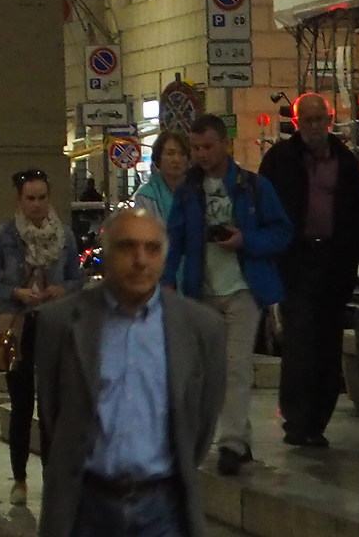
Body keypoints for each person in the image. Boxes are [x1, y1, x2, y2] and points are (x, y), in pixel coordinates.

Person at [35, 204, 226, 537]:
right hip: (87, 506)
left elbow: (203, 419)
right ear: (106, 254)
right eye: (127, 247)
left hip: (163, 508)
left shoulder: (200, 328)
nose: (140, 260)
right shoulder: (61, 323)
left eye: (152, 249)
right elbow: (53, 412)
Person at [162, 113, 292, 475]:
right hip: (201, 290)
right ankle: (229, 438)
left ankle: (232, 442)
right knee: (207, 370)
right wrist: (168, 280)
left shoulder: (252, 186)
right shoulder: (189, 191)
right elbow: (173, 239)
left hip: (242, 290)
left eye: (207, 146)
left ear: (224, 144)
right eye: (196, 148)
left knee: (235, 367)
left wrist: (244, 240)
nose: (201, 154)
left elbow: (282, 231)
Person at [258, 93, 359, 449]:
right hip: (295, 264)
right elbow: (263, 209)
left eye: (320, 120)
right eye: (307, 120)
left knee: (327, 346)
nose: (314, 127)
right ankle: (297, 420)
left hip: (334, 265)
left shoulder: (344, 163)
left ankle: (317, 422)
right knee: (299, 342)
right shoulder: (280, 160)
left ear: (329, 122)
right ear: (297, 123)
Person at [0, 168, 83, 507]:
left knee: (53, 405)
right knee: (21, 404)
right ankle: (19, 478)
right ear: (19, 201)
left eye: (42, 198)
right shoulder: (4, 236)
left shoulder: (64, 235)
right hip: (17, 325)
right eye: (30, 198)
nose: (36, 205)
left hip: (53, 323)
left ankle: (53, 478)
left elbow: (78, 279)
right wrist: (16, 292)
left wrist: (63, 288)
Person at [136, 132, 192, 223]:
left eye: (182, 154)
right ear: (158, 158)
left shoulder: (197, 190)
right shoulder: (146, 196)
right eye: (170, 154)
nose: (176, 159)